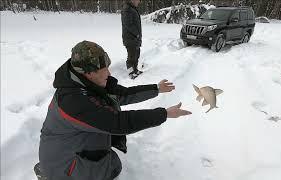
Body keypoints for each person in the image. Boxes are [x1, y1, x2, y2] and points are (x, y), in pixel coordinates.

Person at [36, 40, 192, 180]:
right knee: (112, 168)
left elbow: (121, 94)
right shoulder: (74, 101)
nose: (109, 73)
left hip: (67, 148)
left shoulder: (87, 82)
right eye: (104, 69)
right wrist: (164, 114)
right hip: (62, 164)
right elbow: (118, 123)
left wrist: (156, 89)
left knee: (111, 160)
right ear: (89, 73)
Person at [121, 0, 143, 79]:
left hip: (135, 38)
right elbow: (128, 24)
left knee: (136, 54)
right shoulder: (127, 9)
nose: (139, 2)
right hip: (130, 38)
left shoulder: (132, 8)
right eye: (137, 0)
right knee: (131, 57)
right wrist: (136, 33)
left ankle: (135, 70)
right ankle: (131, 72)